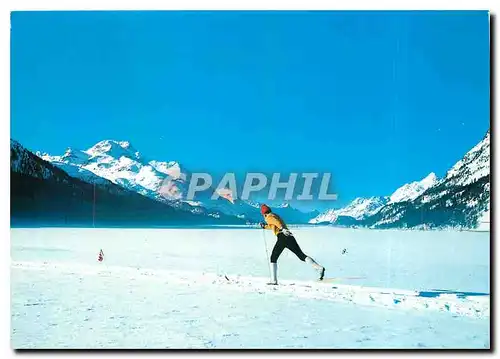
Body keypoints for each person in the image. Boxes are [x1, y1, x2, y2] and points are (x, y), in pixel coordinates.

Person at [259, 204, 325, 285]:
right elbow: (273, 225)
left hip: (282, 237)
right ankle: (319, 268)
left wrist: (282, 229)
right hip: (289, 236)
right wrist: (264, 226)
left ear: (263, 213)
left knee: (273, 257)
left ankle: (274, 281)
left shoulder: (269, 217)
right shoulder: (274, 215)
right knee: (301, 255)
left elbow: (277, 223)